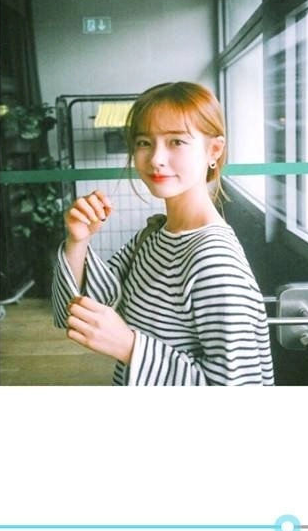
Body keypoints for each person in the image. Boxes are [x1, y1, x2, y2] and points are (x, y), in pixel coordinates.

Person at [52, 82, 274, 386]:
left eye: (176, 141)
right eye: (144, 142)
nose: (156, 158)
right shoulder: (156, 234)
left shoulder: (214, 262)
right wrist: (78, 240)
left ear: (214, 150)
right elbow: (77, 312)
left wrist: (130, 347)